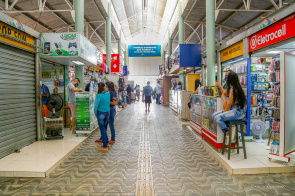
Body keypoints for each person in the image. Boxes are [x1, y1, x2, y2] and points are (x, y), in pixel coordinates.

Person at [94, 82, 111, 151]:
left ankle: (104, 146)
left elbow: (95, 107)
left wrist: (96, 114)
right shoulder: (107, 94)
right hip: (107, 113)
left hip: (100, 113)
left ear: (98, 88)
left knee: (102, 130)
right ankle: (106, 143)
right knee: (104, 128)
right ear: (104, 87)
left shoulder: (98, 96)